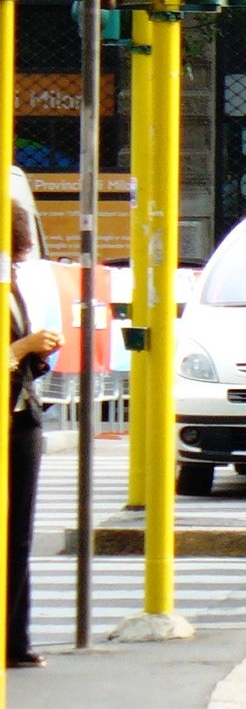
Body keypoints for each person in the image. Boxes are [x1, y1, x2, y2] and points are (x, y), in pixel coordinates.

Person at [8, 202, 61, 669]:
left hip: (22, 416)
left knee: (19, 533)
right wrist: (23, 346)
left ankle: (14, 638)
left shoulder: (13, 289)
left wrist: (36, 352)